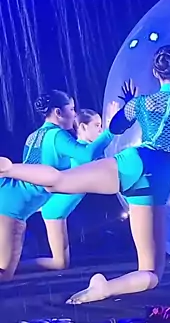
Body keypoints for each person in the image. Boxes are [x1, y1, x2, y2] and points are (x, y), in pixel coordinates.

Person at [0, 45, 170, 302]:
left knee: (58, 181)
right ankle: (106, 288)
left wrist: (129, 105)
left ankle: (9, 168)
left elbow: (116, 127)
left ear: (155, 73)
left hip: (129, 162)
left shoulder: (141, 103)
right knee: (150, 272)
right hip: (152, 183)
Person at [0, 90, 116, 282]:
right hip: (13, 207)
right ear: (58, 112)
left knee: (7, 272)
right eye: (71, 109)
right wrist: (111, 130)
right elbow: (86, 154)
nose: (74, 114)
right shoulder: (57, 135)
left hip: (12, 199)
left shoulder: (35, 135)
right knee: (4, 275)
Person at [31, 104, 119, 271]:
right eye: (97, 125)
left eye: (101, 126)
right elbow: (90, 156)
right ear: (83, 127)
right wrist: (112, 128)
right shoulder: (80, 151)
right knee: (59, 263)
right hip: (55, 208)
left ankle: (13, 267)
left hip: (59, 210)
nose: (100, 130)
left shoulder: (89, 151)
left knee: (60, 263)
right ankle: (10, 268)